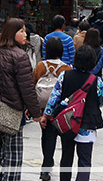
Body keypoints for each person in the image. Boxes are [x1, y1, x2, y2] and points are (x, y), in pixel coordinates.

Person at [0, 18, 42, 181]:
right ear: (11, 33)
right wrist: (36, 112)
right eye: (21, 31)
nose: (25, 34)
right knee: (12, 152)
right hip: (12, 110)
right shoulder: (20, 56)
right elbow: (27, 88)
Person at [40, 45, 103, 181]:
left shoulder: (65, 75)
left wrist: (46, 115)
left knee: (66, 158)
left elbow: (54, 97)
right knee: (84, 162)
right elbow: (102, 101)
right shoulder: (96, 81)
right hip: (87, 124)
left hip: (68, 122)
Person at [33, 37, 71, 181]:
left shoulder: (40, 66)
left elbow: (33, 85)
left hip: (44, 111)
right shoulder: (66, 68)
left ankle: (46, 167)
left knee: (47, 138)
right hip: (60, 111)